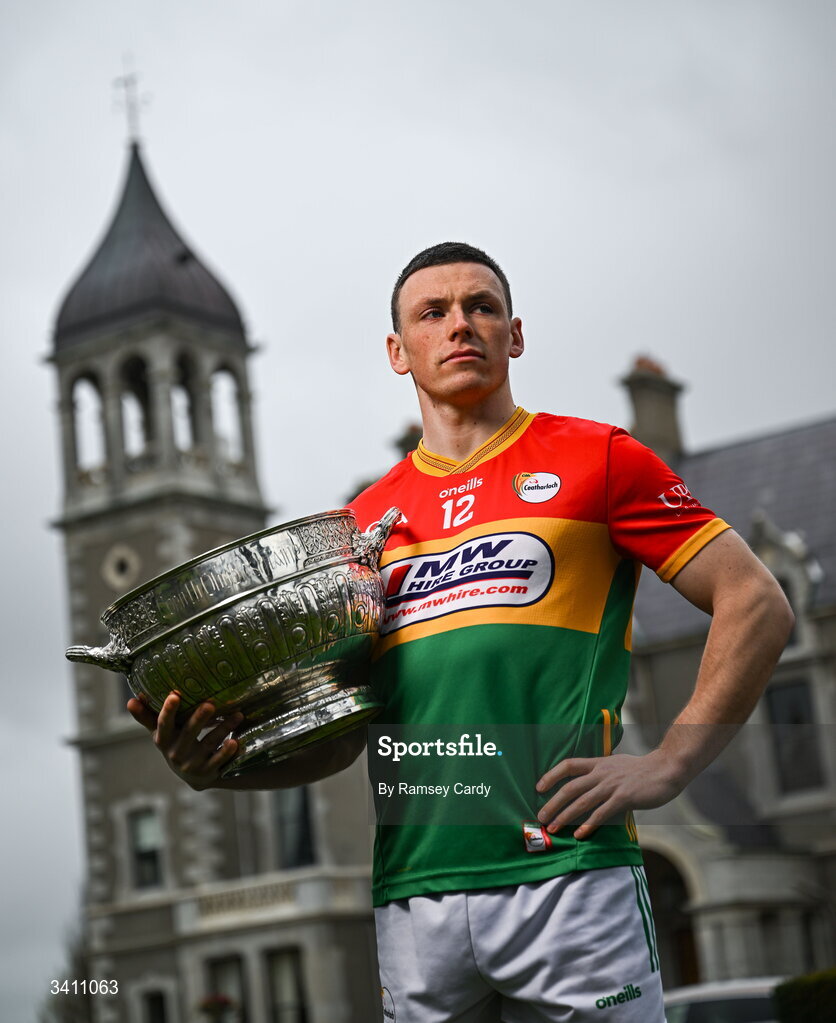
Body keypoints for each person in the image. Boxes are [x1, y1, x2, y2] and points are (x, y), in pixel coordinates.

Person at [129, 242, 794, 1022]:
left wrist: (672, 761)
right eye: (433, 312)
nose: (460, 325)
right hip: (415, 902)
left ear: (514, 334)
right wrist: (221, 770)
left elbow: (757, 601)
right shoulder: (356, 529)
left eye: (481, 306)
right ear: (397, 350)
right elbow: (344, 736)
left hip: (569, 876)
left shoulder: (601, 459)